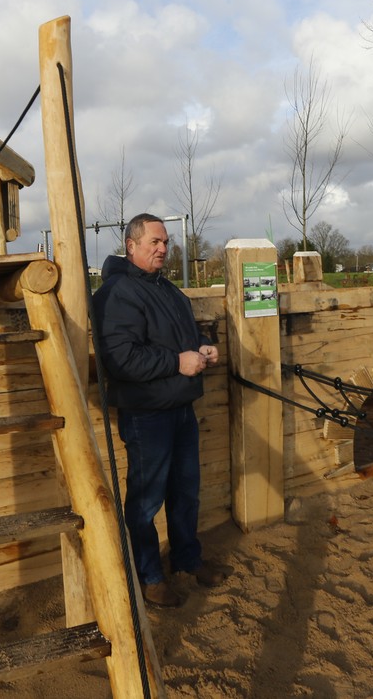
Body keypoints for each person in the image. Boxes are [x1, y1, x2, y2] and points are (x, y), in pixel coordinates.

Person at [92, 213, 229, 608]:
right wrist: (176, 362)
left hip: (180, 407)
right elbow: (120, 359)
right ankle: (150, 576)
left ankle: (187, 559)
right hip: (147, 414)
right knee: (146, 500)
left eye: (165, 242)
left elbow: (179, 337)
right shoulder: (116, 294)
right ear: (131, 245)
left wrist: (201, 346)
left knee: (185, 493)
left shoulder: (165, 288)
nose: (163, 248)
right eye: (154, 242)